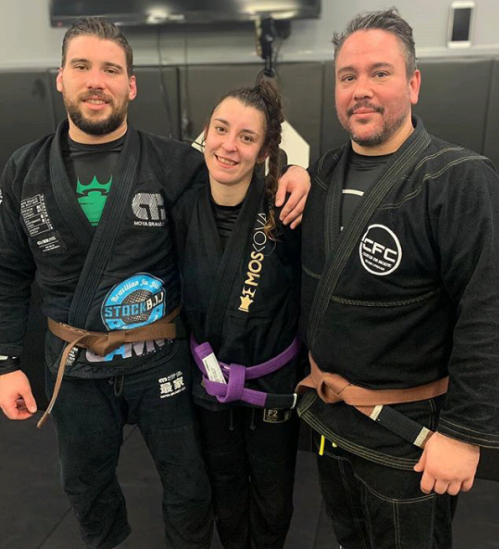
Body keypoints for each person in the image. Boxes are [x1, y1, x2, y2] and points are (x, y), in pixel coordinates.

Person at [0, 17, 309, 549]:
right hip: (74, 365)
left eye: (110, 69)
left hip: (159, 360)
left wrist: (298, 172)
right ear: (60, 77)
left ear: (131, 85)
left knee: (190, 487)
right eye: (82, 66)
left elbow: (237, 174)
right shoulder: (23, 169)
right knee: (84, 486)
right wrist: (6, 363)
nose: (96, 80)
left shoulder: (175, 162)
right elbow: (8, 269)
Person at [297, 8, 499, 549]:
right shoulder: (322, 175)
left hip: (410, 439)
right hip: (332, 421)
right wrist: (291, 171)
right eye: (348, 76)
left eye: (379, 73)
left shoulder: (457, 179)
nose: (361, 89)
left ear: (413, 84)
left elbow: (488, 310)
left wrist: (463, 435)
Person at [173, 80, 305, 549]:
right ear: (206, 133)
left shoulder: (286, 212)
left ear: (265, 150)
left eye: (246, 137)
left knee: (273, 499)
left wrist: (303, 173)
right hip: (211, 382)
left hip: (272, 384)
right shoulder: (183, 211)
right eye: (221, 129)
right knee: (224, 491)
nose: (229, 145)